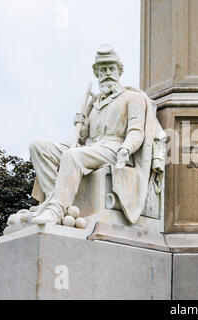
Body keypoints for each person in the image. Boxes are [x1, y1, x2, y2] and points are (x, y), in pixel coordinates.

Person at [26, 44, 165, 225]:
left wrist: (126, 149)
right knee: (38, 146)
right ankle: (57, 200)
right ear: (97, 73)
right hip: (91, 147)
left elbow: (136, 132)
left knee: (72, 156)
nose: (107, 73)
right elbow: (83, 139)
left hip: (114, 148)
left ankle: (56, 210)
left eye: (111, 69)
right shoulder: (94, 102)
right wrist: (82, 126)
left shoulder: (133, 98)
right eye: (102, 69)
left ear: (119, 72)